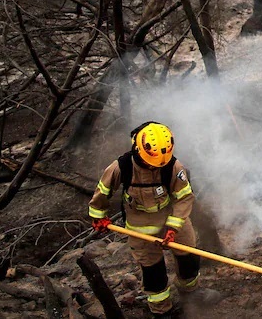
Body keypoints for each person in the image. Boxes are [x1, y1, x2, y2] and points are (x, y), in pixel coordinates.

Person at [88, 122, 216, 314]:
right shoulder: (120, 167)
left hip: (173, 221)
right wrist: (99, 217)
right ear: (138, 150)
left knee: (189, 259)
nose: (153, 167)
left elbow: (184, 197)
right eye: (150, 162)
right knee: (153, 273)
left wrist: (173, 227)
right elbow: (102, 193)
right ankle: (162, 310)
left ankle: (190, 293)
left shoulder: (172, 166)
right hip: (140, 230)